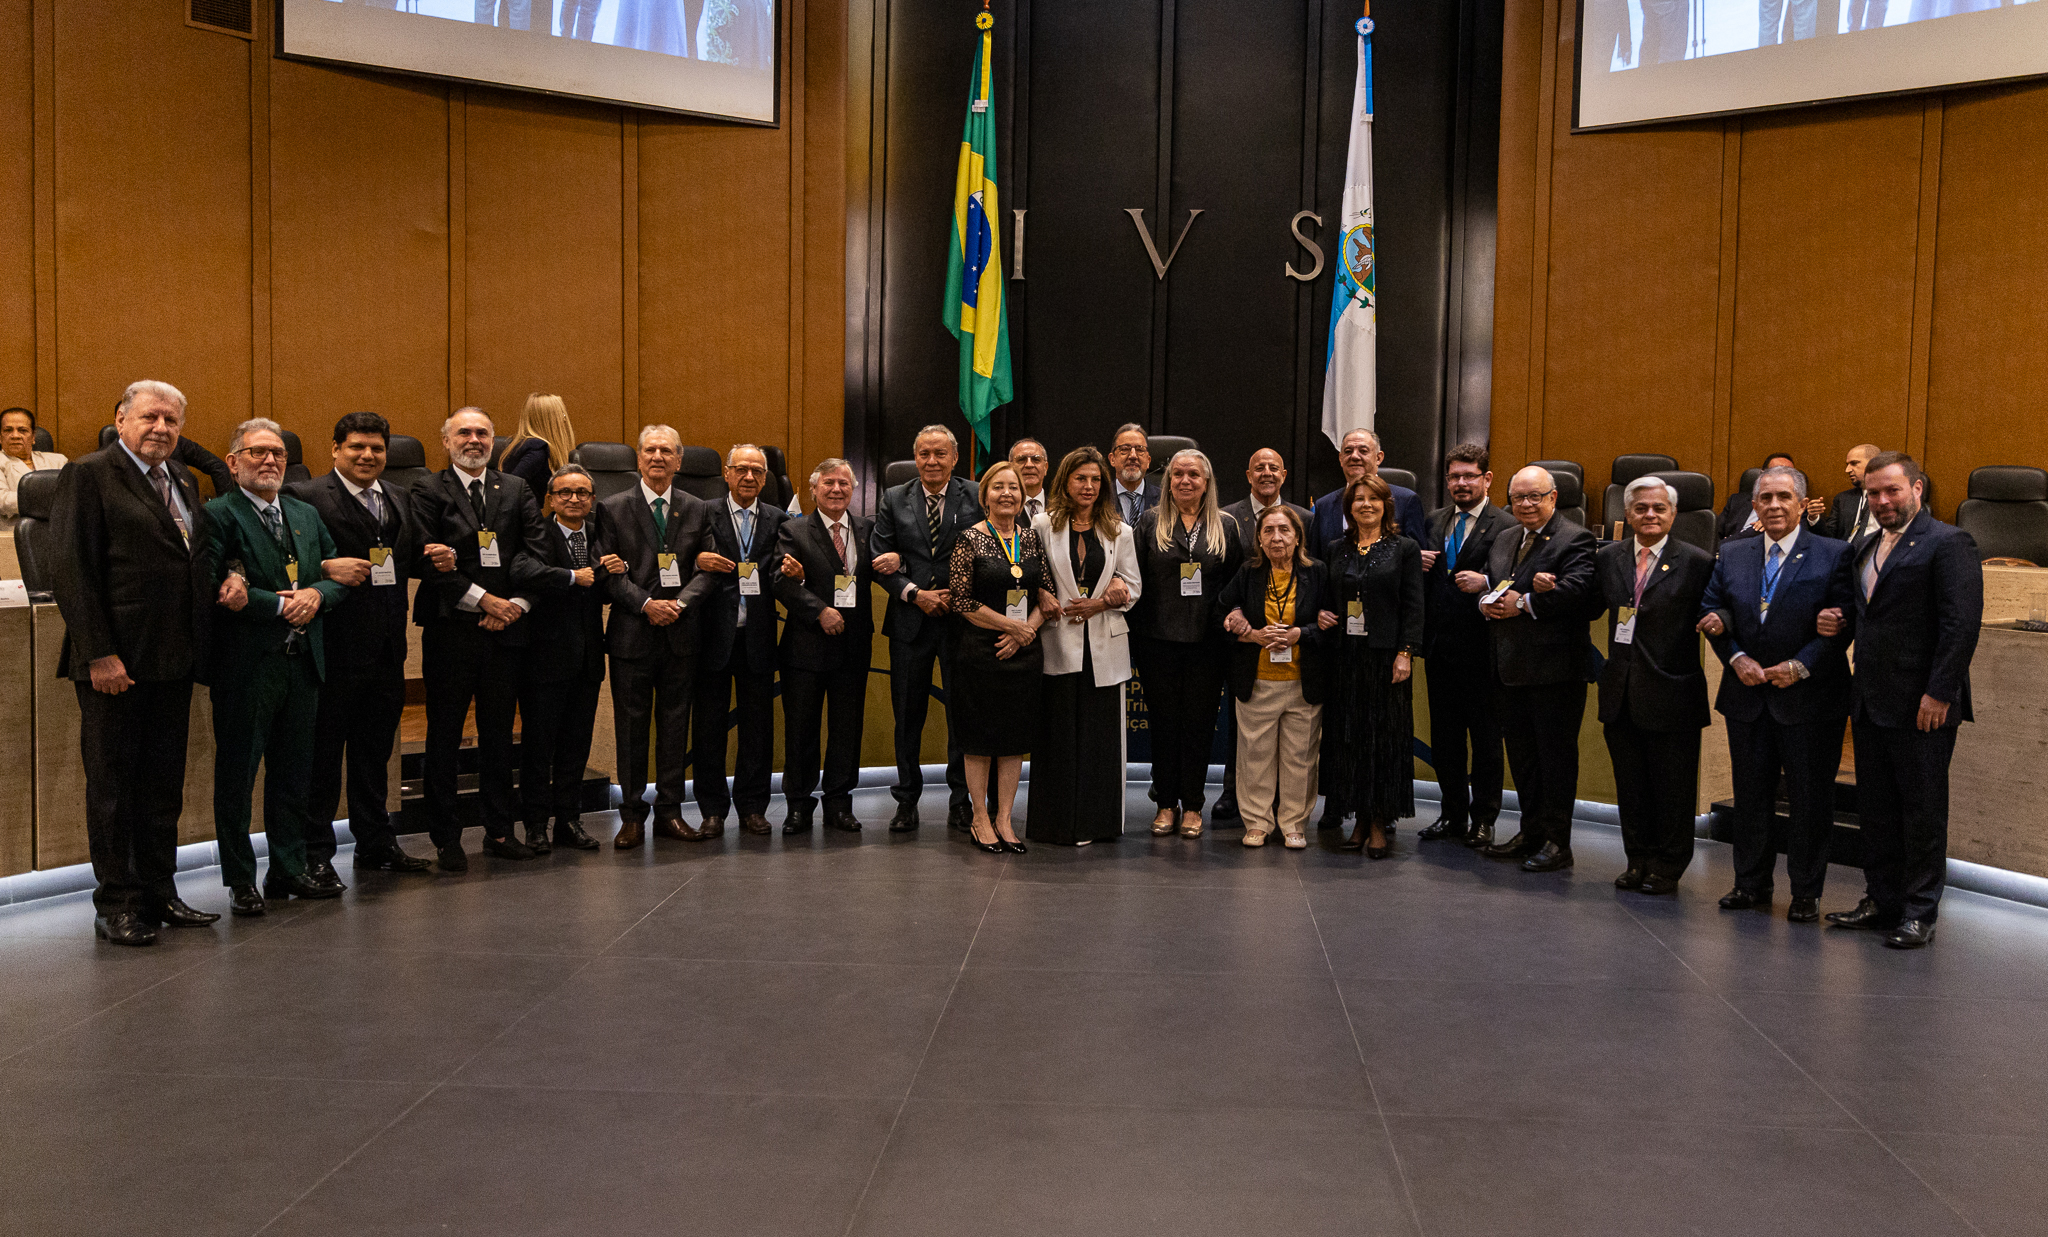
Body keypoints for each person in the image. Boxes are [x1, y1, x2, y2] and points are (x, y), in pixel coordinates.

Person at [47, 380, 223, 945]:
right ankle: (116, 904)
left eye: (172, 421)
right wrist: (99, 653)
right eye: (150, 417)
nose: (162, 429)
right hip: (114, 663)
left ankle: (159, 892)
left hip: (172, 658)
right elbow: (71, 570)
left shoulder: (183, 480)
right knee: (114, 788)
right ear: (120, 420)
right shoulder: (89, 473)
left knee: (162, 786)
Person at [1819, 452, 1983, 949]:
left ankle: (1919, 910)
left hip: (1923, 705)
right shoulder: (1866, 545)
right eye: (1873, 493)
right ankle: (1882, 900)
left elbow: (1961, 625)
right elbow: (1863, 612)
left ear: (1918, 488)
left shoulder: (1949, 542)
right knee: (1877, 810)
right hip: (1869, 700)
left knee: (1922, 812)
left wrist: (1939, 692)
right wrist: (1836, 619)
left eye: (1892, 490)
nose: (1883, 501)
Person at [202, 418, 352, 914]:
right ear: (233, 462)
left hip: (303, 664)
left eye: (278, 454)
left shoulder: (304, 513)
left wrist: (316, 594)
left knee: (294, 775)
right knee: (238, 777)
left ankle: (287, 869)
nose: (270, 461)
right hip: (248, 667)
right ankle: (240, 878)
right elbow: (215, 586)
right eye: (257, 453)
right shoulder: (217, 514)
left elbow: (335, 573)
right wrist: (277, 605)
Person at [289, 411, 445, 876]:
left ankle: (375, 843)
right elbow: (284, 562)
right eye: (357, 446)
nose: (367, 455)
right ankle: (315, 854)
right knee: (322, 760)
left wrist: (432, 556)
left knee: (374, 756)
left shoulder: (398, 496)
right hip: (330, 651)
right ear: (336, 449)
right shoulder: (306, 496)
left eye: (376, 448)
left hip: (385, 651)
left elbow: (403, 559)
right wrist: (322, 568)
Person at [1698, 464, 1854, 922]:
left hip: (1810, 699)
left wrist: (1801, 666)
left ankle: (1806, 892)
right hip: (1746, 694)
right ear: (1754, 507)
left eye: (1784, 497)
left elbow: (1842, 622)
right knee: (1750, 797)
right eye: (1765, 498)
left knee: (1810, 801)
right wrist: (1734, 657)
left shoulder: (1834, 553)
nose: (1774, 506)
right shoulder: (1733, 552)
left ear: (1803, 504)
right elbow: (1712, 608)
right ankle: (1750, 884)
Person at [409, 406, 558, 869]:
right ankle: (446, 836)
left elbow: (536, 551)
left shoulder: (515, 488)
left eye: (483, 433)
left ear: (494, 440)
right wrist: (484, 601)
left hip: (507, 631)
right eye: (464, 433)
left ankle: (499, 829)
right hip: (451, 628)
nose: (474, 440)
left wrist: (517, 605)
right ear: (446, 440)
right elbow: (426, 559)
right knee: (445, 736)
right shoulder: (427, 487)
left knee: (498, 735)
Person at [1464, 465, 1598, 873]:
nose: (1525, 504)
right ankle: (1531, 832)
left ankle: (1558, 842)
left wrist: (1527, 602)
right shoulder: (1505, 538)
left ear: (1553, 498)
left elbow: (1579, 593)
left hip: (1555, 672)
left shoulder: (1576, 538)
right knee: (1522, 758)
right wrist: (1487, 603)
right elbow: (1496, 585)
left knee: (1555, 760)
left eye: (1534, 496)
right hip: (1508, 667)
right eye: (1518, 497)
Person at [600, 425, 718, 846]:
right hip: (633, 634)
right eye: (650, 450)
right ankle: (631, 815)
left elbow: (710, 568)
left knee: (674, 727)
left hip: (681, 635)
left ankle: (670, 811)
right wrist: (648, 605)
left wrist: (680, 605)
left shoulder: (698, 508)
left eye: (666, 451)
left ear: (679, 460)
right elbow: (608, 575)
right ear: (638, 458)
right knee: (631, 730)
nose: (658, 457)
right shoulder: (611, 508)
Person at [1595, 478, 1714, 894]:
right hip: (1620, 693)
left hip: (1672, 693)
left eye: (1659, 508)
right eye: (1641, 508)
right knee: (1632, 787)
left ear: (1673, 514)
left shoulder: (1697, 561)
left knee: (1672, 791)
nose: (1650, 515)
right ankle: (1637, 859)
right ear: (1627, 515)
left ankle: (1668, 865)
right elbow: (1589, 602)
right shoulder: (1608, 557)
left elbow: (1719, 609)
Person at [1310, 428, 1424, 831]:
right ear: (1348, 505)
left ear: (1385, 504)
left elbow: (1414, 604)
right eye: (1358, 499)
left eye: (1373, 499)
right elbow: (1322, 590)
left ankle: (1380, 819)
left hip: (1385, 655)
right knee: (1347, 737)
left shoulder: (1403, 548)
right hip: (1344, 655)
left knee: (1384, 739)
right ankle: (1353, 813)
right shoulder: (1336, 548)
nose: (1365, 504)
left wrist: (1406, 652)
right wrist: (1322, 614)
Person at [871, 425, 983, 831]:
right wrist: (916, 593)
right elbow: (878, 557)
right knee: (908, 715)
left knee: (961, 715)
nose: (931, 462)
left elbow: (989, 546)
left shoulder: (975, 494)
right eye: (923, 454)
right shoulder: (893, 498)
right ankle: (906, 800)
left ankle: (961, 800)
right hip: (910, 622)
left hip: (962, 621)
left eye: (939, 454)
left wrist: (958, 591)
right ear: (914, 458)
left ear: (954, 458)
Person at [1030, 446, 1140, 846]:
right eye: (1081, 479)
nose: (1089, 486)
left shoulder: (1120, 530)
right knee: (1057, 737)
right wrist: (1043, 593)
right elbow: (1031, 574)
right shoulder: (1042, 525)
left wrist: (1111, 596)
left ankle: (1099, 823)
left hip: (1104, 646)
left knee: (1099, 741)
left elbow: (1134, 586)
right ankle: (1056, 824)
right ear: (1065, 481)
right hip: (1057, 640)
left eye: (1096, 480)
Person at [1131, 448, 1242, 838]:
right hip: (1157, 641)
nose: (1184, 481)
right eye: (1177, 474)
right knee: (1163, 725)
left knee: (1199, 725)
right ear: (1167, 481)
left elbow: (1234, 586)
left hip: (1207, 644)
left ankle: (1193, 805)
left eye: (1193, 474)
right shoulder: (1148, 524)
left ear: (1206, 482)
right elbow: (1135, 582)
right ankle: (1165, 803)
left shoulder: (1225, 526)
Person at [517, 464, 625, 854]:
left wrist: (619, 569)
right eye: (565, 493)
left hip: (588, 660)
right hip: (543, 659)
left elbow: (607, 588)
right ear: (551, 499)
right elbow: (521, 569)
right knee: (538, 747)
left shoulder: (601, 535)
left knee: (576, 746)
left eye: (582, 493)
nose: (574, 499)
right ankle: (534, 824)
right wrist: (569, 576)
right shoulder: (538, 533)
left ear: (593, 500)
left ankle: (569, 820)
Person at [948, 461, 1053, 854]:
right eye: (998, 488)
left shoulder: (1030, 539)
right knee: (978, 739)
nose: (1006, 493)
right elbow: (962, 600)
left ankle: (1005, 818)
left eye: (1013, 488)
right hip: (980, 652)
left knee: (1013, 739)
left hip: (1023, 653)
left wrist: (1028, 628)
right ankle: (979, 817)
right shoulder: (968, 539)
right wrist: (1011, 628)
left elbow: (1046, 592)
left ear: (1022, 496)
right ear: (985, 496)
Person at [1219, 506, 1332, 848]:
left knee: (1300, 759)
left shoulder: (1319, 573)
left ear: (1298, 537)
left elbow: (1332, 624)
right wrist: (1246, 630)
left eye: (1284, 530)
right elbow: (1222, 610)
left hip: (1302, 681)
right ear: (1259, 539)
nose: (1276, 538)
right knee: (1255, 757)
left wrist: (1301, 633)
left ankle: (1293, 823)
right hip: (1257, 681)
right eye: (1268, 531)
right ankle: (1257, 823)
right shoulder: (1248, 572)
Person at [1415, 444, 1511, 848]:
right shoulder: (1434, 521)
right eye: (1454, 476)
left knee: (1487, 741)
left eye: (1469, 475)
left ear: (1487, 479)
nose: (1461, 483)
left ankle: (1484, 819)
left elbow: (1515, 575)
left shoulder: (1506, 524)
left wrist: (1487, 583)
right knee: (1446, 740)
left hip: (1484, 651)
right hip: (1440, 650)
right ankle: (1452, 814)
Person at [691, 444, 788, 837]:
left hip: (759, 637)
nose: (749, 477)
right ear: (727, 474)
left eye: (757, 471)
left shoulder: (779, 518)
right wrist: (697, 559)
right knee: (708, 728)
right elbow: (681, 555)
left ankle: (752, 807)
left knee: (757, 729)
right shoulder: (702, 512)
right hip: (712, 636)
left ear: (766, 478)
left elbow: (783, 567)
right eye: (742, 470)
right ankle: (712, 809)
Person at [773, 459, 874, 834]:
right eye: (828, 483)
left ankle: (839, 803)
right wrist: (819, 611)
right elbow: (778, 582)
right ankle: (798, 806)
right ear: (814, 489)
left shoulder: (867, 529)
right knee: (801, 730)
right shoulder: (793, 530)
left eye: (844, 484)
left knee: (847, 730)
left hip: (853, 647)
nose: (836, 489)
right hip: (806, 648)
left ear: (853, 490)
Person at [1215, 446, 1310, 821]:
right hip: (1244, 636)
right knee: (1244, 728)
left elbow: (1312, 573)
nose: (1267, 473)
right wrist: (1235, 614)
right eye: (1259, 468)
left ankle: (1283, 808)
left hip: (1291, 640)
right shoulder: (1227, 517)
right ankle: (1232, 792)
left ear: (1284, 475)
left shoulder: (1304, 517)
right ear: (1248, 474)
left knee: (1291, 741)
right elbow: (1225, 578)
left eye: (1274, 467)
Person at [1310, 428, 1425, 553]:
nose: (1354, 456)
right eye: (1348, 451)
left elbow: (1417, 559)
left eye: (1363, 451)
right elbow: (1315, 561)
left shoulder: (1406, 500)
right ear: (1340, 459)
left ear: (1378, 458)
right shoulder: (1324, 505)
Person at [499, 392, 577, 508]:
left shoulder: (520, 444)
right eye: (562, 415)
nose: (564, 419)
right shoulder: (537, 449)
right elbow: (511, 488)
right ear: (552, 420)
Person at [0, 406, 66, 526]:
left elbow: (70, 496)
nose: (15, 435)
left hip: (57, 530)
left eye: (22, 430)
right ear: (0, 437)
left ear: (33, 436)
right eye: (8, 430)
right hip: (11, 534)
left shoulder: (58, 461)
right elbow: (3, 502)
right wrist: (51, 499)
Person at [1822, 443, 1883, 544]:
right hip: (1845, 554)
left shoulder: (1891, 497)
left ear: (1874, 463)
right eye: (1847, 465)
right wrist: (1815, 519)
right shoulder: (1843, 499)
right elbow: (1829, 537)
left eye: (1854, 463)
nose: (1847, 470)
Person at [1107, 423, 1159, 526]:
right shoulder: (1099, 498)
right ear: (1112, 459)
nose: (1133, 456)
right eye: (1125, 449)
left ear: (1148, 461)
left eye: (1140, 449)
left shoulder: (1164, 500)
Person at [1010, 438, 1051, 521]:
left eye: (1036, 459)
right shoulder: (1002, 508)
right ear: (1010, 467)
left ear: (1045, 468)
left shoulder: (1061, 508)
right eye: (1021, 459)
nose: (1029, 465)